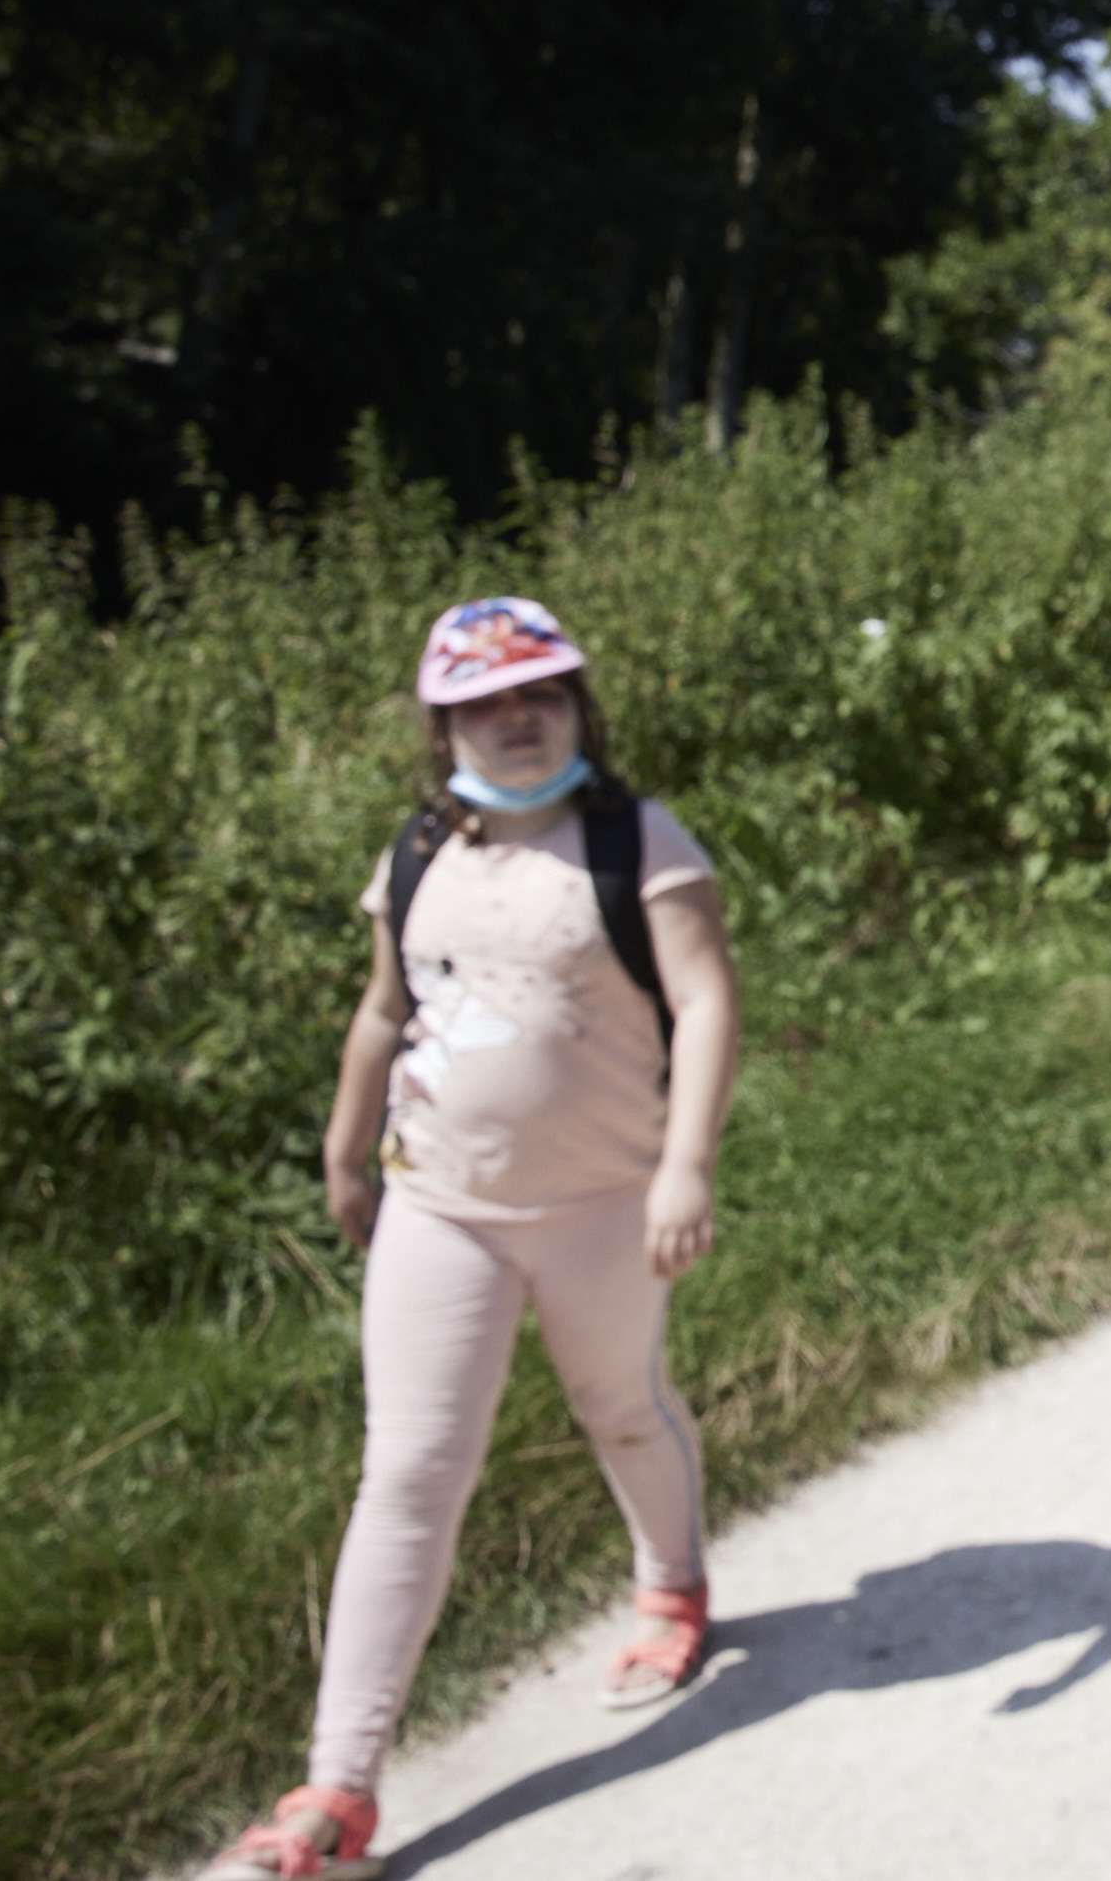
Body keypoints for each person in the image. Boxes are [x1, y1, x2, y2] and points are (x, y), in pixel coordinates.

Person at [206, 599, 743, 1881]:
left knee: (621, 1406)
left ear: (577, 705)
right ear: (440, 719)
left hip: (605, 1202)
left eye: (542, 692)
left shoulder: (631, 839)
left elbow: (708, 994)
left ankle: (671, 1585)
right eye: (486, 699)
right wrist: (344, 1148)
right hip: (437, 1199)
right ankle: (337, 1789)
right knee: (407, 1473)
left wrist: (685, 1163)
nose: (518, 716)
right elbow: (387, 1007)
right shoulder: (416, 852)